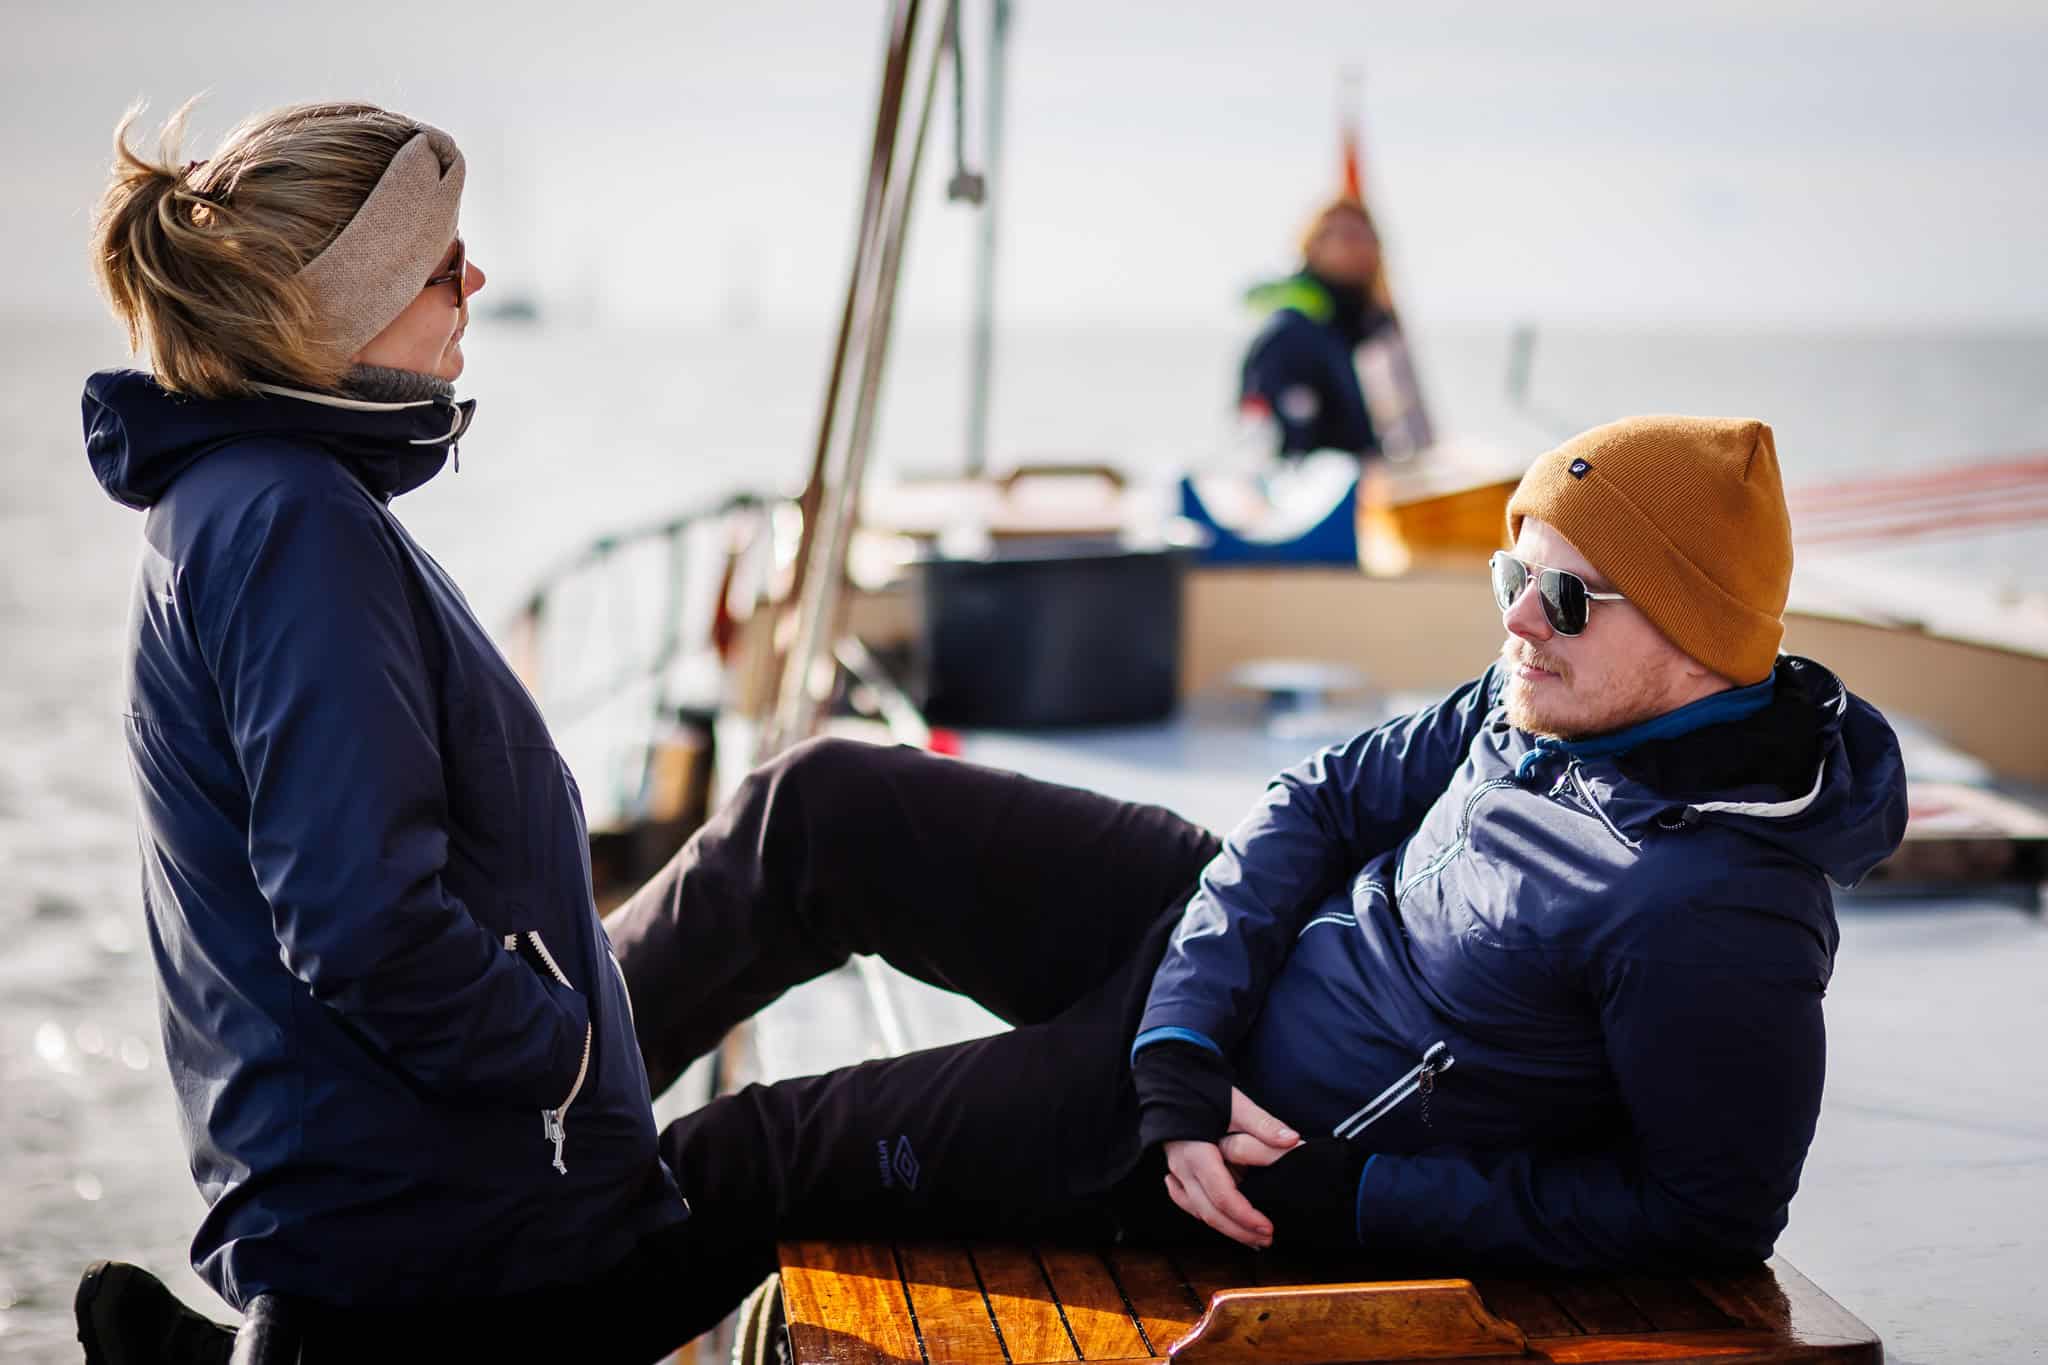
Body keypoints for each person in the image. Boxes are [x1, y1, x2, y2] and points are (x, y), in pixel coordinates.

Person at [607, 414, 1909, 1301]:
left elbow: (1704, 1216)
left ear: (1692, 633)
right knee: (817, 804)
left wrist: (1358, 1196)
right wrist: (1185, 1023)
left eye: (1564, 596)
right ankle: (528, 1105)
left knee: (745, 1158)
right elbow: (1323, 796)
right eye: (1512, 573)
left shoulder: (1709, 907)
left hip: (1244, 1133)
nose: (1519, 619)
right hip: (1206, 964)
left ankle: (516, 1307)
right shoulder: (1546, 694)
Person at [75, 100, 720, 1363]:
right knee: (827, 1154)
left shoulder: (251, 499)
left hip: (376, 1191)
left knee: (796, 831)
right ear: (343, 305)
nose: (474, 283)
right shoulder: (294, 522)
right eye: (441, 265)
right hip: (432, 1227)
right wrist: (564, 1055)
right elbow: (361, 924)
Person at [1238, 196, 1397, 461]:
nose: (1362, 248)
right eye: (1348, 236)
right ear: (1313, 247)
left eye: (1370, 238)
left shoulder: (1360, 334)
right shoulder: (1290, 336)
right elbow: (1276, 453)